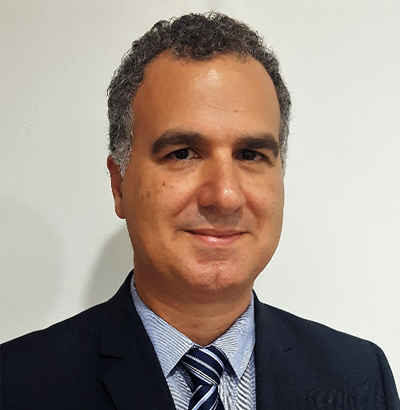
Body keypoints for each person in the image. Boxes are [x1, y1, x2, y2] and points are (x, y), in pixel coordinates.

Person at [1, 12, 399, 410]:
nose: (224, 195)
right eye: (183, 153)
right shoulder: (17, 385)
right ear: (119, 184)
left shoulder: (360, 377)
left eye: (250, 154)